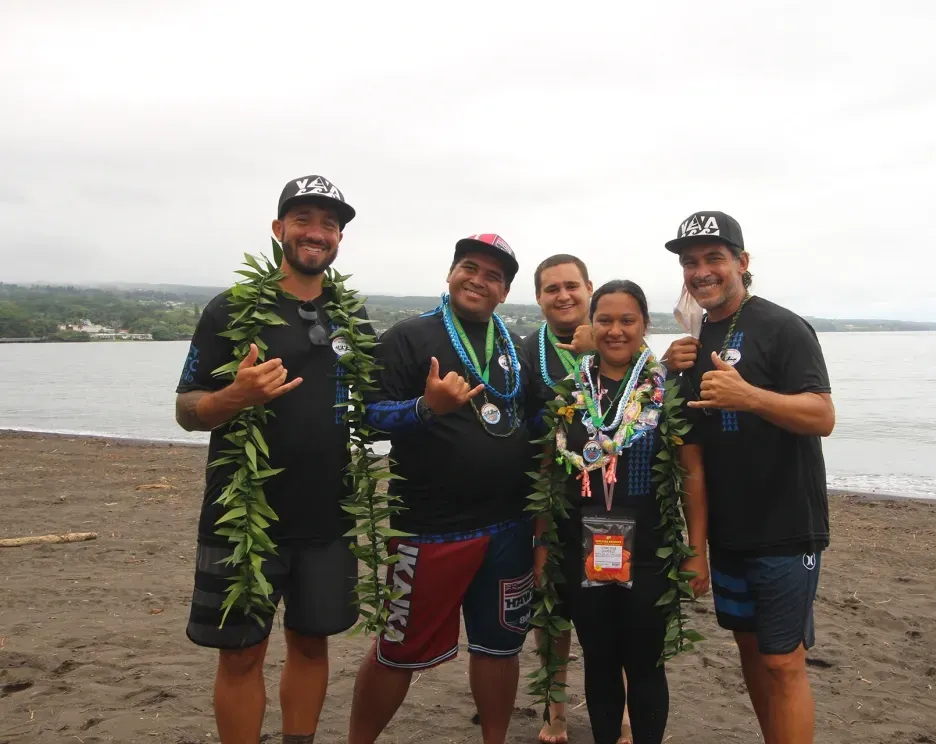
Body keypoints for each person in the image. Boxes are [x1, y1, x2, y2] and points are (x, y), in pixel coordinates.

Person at [175, 175, 365, 744]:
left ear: (339, 240)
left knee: (311, 643)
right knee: (240, 654)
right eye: (303, 219)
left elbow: (374, 408)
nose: (316, 232)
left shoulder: (351, 319)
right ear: (279, 228)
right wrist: (237, 396)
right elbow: (187, 409)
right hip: (243, 520)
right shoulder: (231, 309)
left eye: (329, 224)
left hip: (327, 518)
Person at [348, 234, 537, 744]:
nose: (478, 279)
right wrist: (424, 408)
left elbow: (538, 419)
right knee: (398, 649)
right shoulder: (409, 338)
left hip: (510, 527)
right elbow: (365, 417)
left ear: (505, 292)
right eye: (469, 268)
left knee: (501, 647)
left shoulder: (517, 348)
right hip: (430, 528)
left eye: (493, 276)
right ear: (450, 273)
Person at [660, 211, 835, 744]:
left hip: (786, 527)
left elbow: (822, 416)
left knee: (783, 662)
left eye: (715, 258)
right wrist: (697, 548)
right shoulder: (693, 340)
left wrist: (749, 397)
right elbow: (692, 457)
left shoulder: (783, 326)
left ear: (743, 261)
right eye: (691, 263)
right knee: (752, 655)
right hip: (730, 534)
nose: (702, 271)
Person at [532, 280, 710, 744]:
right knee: (599, 660)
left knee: (647, 662)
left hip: (650, 550)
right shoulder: (568, 393)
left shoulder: (667, 389)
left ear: (644, 326)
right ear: (591, 324)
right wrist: (542, 550)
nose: (615, 330)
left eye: (627, 320)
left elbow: (691, 475)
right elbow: (550, 478)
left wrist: (696, 552)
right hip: (581, 549)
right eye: (605, 320)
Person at [520, 255, 631, 744]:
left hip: (612, 504)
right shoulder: (526, 353)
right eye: (551, 289)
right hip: (550, 501)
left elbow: (651, 386)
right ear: (539, 297)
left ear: (589, 288)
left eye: (571, 286)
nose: (562, 296)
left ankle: (621, 714)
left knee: (615, 612)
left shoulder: (617, 344)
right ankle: (556, 710)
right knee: (551, 609)